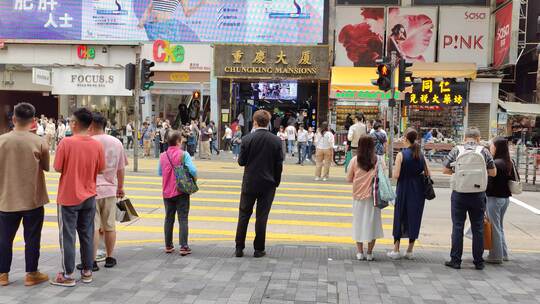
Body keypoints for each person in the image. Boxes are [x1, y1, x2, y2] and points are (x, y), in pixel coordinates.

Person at [51, 108, 105, 287]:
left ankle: (67, 274)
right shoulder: (97, 145)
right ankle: (87, 271)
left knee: (67, 236)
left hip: (68, 197)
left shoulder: (66, 143)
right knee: (87, 234)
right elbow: (101, 169)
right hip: (89, 196)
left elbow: (58, 167)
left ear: (74, 124)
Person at [0, 103, 50, 287]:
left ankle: (2, 274)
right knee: (32, 238)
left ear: (13, 119)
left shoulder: (1, 141)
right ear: (33, 121)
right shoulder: (39, 142)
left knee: (4, 238)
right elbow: (45, 167)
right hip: (32, 200)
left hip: (6, 199)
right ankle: (31, 274)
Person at [443, 128, 497, 270]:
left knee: (457, 227)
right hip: (478, 194)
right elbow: (493, 172)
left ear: (465, 137)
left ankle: (455, 260)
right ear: (478, 138)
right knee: (478, 227)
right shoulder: (484, 151)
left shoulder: (457, 150)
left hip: (459, 193)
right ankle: (478, 261)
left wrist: (460, 173)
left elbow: (445, 170)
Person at [81, 113, 127, 271]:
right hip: (110, 190)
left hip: (90, 191)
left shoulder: (87, 142)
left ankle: (92, 261)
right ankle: (109, 257)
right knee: (110, 226)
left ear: (91, 126)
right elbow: (120, 169)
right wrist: (120, 187)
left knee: (92, 227)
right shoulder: (116, 142)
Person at [235, 110, 283, 258]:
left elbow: (241, 162)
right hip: (268, 184)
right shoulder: (276, 141)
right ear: (268, 122)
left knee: (244, 215)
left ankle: (239, 247)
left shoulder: (247, 139)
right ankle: (259, 249)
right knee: (262, 217)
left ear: (255, 122)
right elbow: (279, 165)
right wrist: (276, 181)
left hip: (250, 182)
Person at [387, 129, 429, 260]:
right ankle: (410, 250)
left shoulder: (401, 155)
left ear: (405, 138)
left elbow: (396, 175)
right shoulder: (421, 154)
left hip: (404, 188)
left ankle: (396, 249)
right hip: (418, 190)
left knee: (400, 216)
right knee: (414, 218)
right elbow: (428, 174)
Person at [159, 130, 198, 255]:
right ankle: (184, 246)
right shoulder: (184, 154)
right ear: (177, 141)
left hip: (166, 191)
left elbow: (160, 172)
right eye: (181, 140)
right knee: (183, 218)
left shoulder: (162, 155)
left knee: (169, 218)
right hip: (181, 191)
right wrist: (194, 178)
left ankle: (168, 245)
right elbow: (193, 170)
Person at [346, 136, 384, 261]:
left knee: (359, 223)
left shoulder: (354, 160)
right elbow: (383, 177)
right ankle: (369, 253)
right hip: (374, 197)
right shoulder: (378, 160)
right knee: (372, 225)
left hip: (358, 197)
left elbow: (349, 179)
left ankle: (360, 252)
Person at [485, 137, 514, 264]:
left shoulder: (496, 163)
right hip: (505, 198)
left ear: (497, 147)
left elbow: (490, 182)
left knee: (495, 227)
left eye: (491, 145)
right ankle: (503, 253)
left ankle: (495, 256)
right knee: (499, 226)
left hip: (494, 198)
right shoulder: (508, 162)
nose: (490, 147)